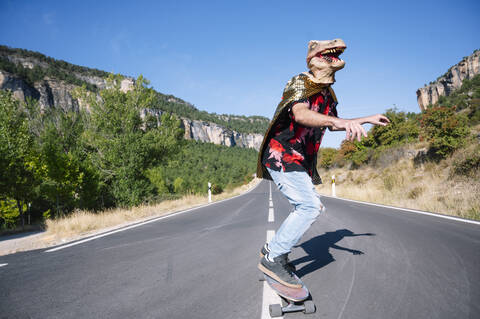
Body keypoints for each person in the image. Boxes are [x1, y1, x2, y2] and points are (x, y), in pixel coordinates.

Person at [256, 39, 390, 288]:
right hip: (281, 153)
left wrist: (367, 119)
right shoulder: (300, 81)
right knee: (309, 207)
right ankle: (274, 258)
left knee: (308, 206)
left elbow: (336, 122)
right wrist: (341, 122)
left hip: (299, 158)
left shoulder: (329, 94)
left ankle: (271, 250)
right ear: (312, 60)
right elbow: (300, 114)